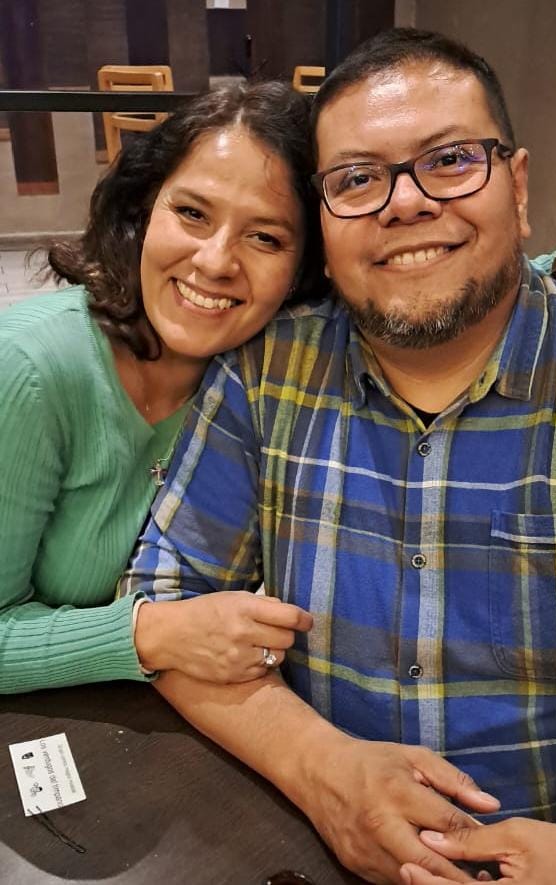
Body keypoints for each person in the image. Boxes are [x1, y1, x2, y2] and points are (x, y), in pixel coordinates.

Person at [119, 28, 556, 885]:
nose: (403, 203)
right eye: (357, 179)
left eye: (449, 160)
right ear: (322, 231)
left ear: (516, 187)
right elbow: (170, 599)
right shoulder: (269, 369)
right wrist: (320, 766)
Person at [0, 80, 322, 695]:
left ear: (304, 267)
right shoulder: (30, 370)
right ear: (145, 210)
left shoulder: (262, 374)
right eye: (193, 213)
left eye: (265, 237)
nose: (215, 262)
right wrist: (151, 633)